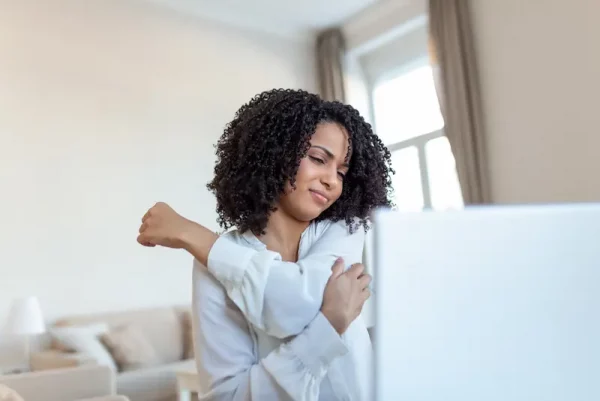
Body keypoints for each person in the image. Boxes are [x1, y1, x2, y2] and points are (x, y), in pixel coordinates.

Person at [137, 89, 393, 400]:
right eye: (317, 159)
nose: (332, 181)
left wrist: (199, 238)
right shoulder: (210, 266)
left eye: (341, 171)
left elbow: (297, 305)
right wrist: (329, 325)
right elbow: (228, 395)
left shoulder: (343, 229)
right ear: (274, 153)